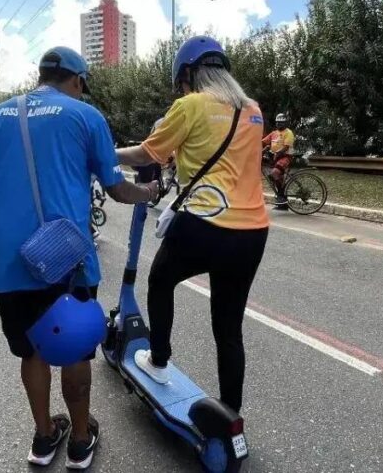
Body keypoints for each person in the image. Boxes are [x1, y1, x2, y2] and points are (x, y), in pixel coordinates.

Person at [0, 46, 157, 470]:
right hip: (68, 259)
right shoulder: (85, 116)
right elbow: (115, 186)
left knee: (31, 353)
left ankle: (44, 435)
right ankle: (81, 441)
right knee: (73, 350)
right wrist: (147, 193)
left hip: (11, 262)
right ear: (77, 80)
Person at [115, 35, 270, 414]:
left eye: (181, 82)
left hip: (204, 223)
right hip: (252, 232)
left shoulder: (190, 105)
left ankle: (159, 359)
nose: (181, 88)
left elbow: (146, 154)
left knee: (160, 280)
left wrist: (102, 153)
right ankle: (231, 413)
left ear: (188, 75)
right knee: (229, 330)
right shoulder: (253, 111)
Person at [263, 113, 295, 210]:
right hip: (276, 158)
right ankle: (282, 205)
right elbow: (263, 142)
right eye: (278, 123)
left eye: (281, 123)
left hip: (285, 157)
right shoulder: (274, 133)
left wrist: (277, 153)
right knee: (277, 179)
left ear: (285, 123)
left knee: (275, 173)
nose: (279, 125)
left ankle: (281, 197)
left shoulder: (288, 133)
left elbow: (286, 147)